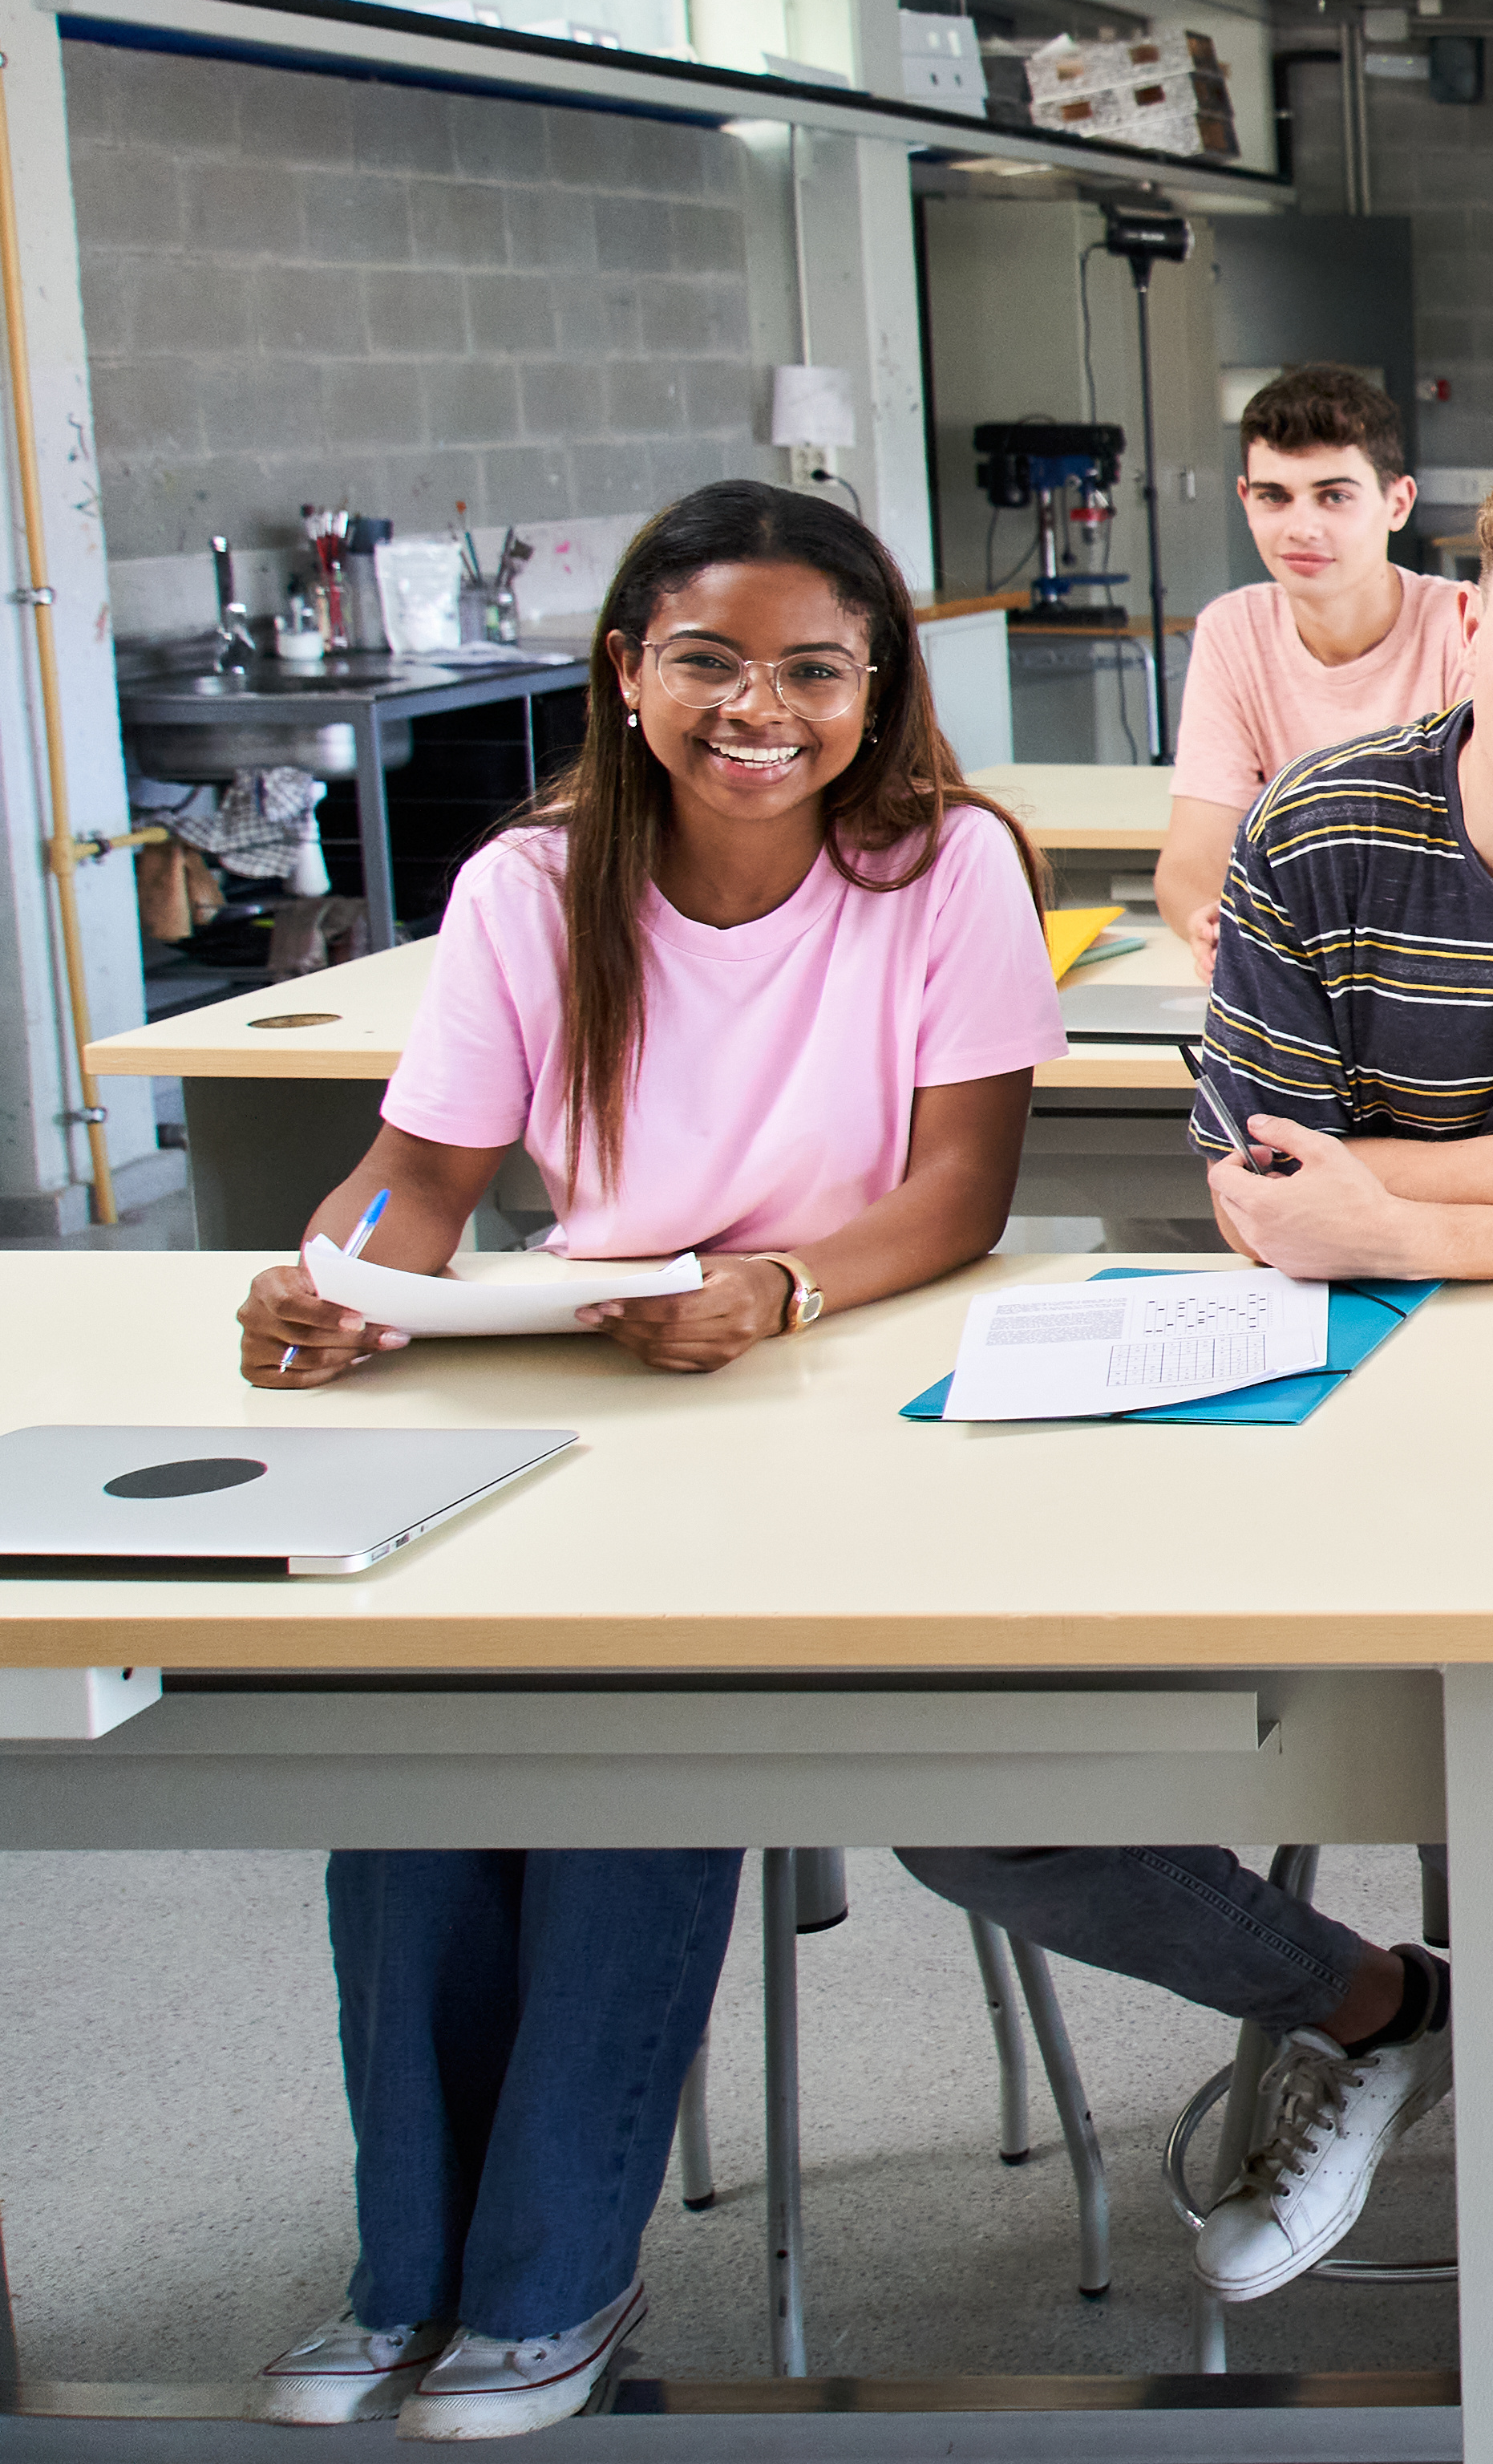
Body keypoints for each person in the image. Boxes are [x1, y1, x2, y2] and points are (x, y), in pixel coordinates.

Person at [902, 427, 1493, 2302]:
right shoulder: (1323, 829)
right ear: (1468, 617)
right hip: (1304, 1395)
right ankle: (1369, 2004)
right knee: (968, 1788)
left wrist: (1395, 1212)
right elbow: (1270, 1207)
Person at [235, 482, 1062, 2439]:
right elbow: (424, 1181)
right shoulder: (532, 886)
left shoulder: (946, 865)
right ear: (625, 670)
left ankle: (543, 2287)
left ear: (877, 687)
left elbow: (958, 1195)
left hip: (846, 1375)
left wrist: (771, 1288)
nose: (754, 706)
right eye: (704, 660)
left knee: (626, 1762)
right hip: (595, 1381)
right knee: (406, 1758)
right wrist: (332, 1283)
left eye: (808, 668)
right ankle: (401, 2280)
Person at [1159, 363, 1475, 966]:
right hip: (1294, 957)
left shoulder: (1465, 625)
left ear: (1397, 502)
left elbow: (1482, 858)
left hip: (1435, 961)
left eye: (1334, 496)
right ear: (1245, 501)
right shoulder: (1231, 630)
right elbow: (1191, 856)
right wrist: (1208, 917)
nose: (1301, 526)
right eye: (1274, 496)